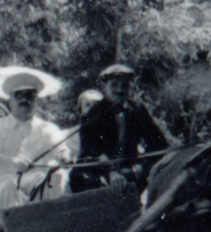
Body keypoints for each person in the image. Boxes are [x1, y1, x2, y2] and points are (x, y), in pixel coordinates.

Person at [71, 62, 172, 198]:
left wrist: (142, 165)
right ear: (104, 87)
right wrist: (111, 173)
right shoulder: (93, 114)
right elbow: (90, 152)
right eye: (114, 84)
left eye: (125, 85)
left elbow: (159, 143)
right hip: (99, 172)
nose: (120, 89)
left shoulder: (138, 110)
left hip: (130, 171)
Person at [0, 70, 69, 218]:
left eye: (29, 95)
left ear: (36, 100)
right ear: (10, 101)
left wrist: (63, 157)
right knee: (9, 186)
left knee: (59, 176)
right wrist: (14, 163)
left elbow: (63, 153)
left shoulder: (49, 129)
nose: (24, 99)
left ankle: (55, 227)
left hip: (39, 190)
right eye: (18, 95)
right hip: (3, 192)